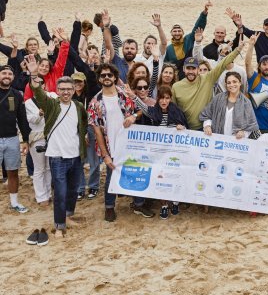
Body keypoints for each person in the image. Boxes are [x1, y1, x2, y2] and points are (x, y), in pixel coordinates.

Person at [88, 63, 153, 222]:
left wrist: (133, 117)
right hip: (111, 146)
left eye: (109, 75)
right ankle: (109, 207)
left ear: (115, 77)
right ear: (99, 79)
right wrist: (105, 155)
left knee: (134, 172)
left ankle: (138, 203)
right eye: (103, 75)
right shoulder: (95, 102)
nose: (107, 78)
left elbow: (140, 109)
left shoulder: (124, 95)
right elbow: (97, 131)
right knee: (111, 176)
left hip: (130, 144)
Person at [28, 68, 88, 238]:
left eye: (69, 89)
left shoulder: (78, 106)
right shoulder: (51, 105)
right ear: (57, 90)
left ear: (74, 90)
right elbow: (39, 93)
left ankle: (68, 216)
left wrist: (83, 136)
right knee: (60, 193)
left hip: (76, 156)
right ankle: (59, 225)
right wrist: (33, 75)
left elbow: (83, 121)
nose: (66, 92)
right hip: (57, 157)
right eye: (62, 89)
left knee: (73, 190)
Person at [133, 85, 188, 220]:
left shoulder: (177, 112)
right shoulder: (153, 112)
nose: (164, 101)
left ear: (170, 99)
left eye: (167, 98)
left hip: (174, 154)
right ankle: (164, 205)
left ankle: (175, 202)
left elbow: (187, 131)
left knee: (174, 177)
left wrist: (182, 128)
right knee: (161, 178)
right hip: (158, 154)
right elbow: (142, 106)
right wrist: (133, 96)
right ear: (157, 99)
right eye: (161, 98)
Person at [172, 43, 242, 131]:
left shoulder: (207, 79)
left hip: (206, 128)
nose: (191, 71)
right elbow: (173, 109)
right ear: (183, 69)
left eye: (193, 68)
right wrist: (178, 124)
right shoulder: (176, 87)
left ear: (198, 69)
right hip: (185, 129)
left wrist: (237, 50)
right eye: (188, 68)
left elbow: (223, 64)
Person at [0, 64, 31, 213]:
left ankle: (14, 202)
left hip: (12, 138)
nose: (7, 76)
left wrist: (25, 139)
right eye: (4, 73)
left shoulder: (17, 94)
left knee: (13, 172)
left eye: (9, 74)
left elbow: (22, 118)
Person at [200, 72, 259, 138]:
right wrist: (207, 126)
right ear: (226, 85)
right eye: (229, 83)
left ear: (240, 83)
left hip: (235, 142)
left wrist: (243, 133)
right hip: (216, 140)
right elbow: (207, 115)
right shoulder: (218, 98)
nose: (232, 84)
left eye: (234, 82)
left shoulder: (246, 102)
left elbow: (251, 125)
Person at [25, 76, 54, 206]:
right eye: (35, 83)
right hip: (37, 137)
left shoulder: (52, 96)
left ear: (44, 85)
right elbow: (31, 120)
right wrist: (40, 114)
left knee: (49, 167)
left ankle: (48, 194)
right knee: (39, 168)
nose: (39, 85)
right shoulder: (28, 103)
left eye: (41, 83)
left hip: (52, 136)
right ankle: (41, 197)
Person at [71, 72, 100, 201]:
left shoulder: (90, 95)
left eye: (80, 81)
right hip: (73, 130)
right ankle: (80, 187)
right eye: (75, 81)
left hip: (89, 128)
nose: (77, 84)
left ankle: (93, 185)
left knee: (93, 160)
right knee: (78, 160)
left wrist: (87, 132)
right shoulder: (68, 96)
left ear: (84, 82)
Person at [245, 33, 268, 134]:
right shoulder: (254, 78)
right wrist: (251, 45)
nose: (266, 67)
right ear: (259, 66)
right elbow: (247, 63)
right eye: (264, 64)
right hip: (255, 126)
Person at [164, 0, 211, 74]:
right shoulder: (169, 49)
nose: (177, 33)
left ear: (182, 32)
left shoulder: (189, 39)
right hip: (177, 78)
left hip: (192, 74)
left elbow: (198, 27)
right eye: (175, 31)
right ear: (171, 33)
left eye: (179, 31)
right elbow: (166, 66)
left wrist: (204, 12)